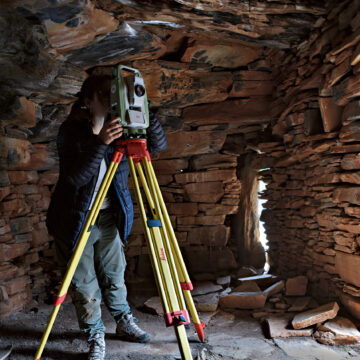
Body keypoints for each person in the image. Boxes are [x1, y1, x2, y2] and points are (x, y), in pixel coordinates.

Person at [46, 74, 167, 360]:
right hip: (74, 217)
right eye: (105, 97)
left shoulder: (122, 125)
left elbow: (157, 146)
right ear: (88, 102)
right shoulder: (71, 131)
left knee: (115, 273)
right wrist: (100, 141)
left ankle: (124, 321)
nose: (112, 102)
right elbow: (76, 178)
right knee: (84, 281)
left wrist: (143, 108)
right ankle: (94, 335)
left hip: (109, 214)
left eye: (115, 96)